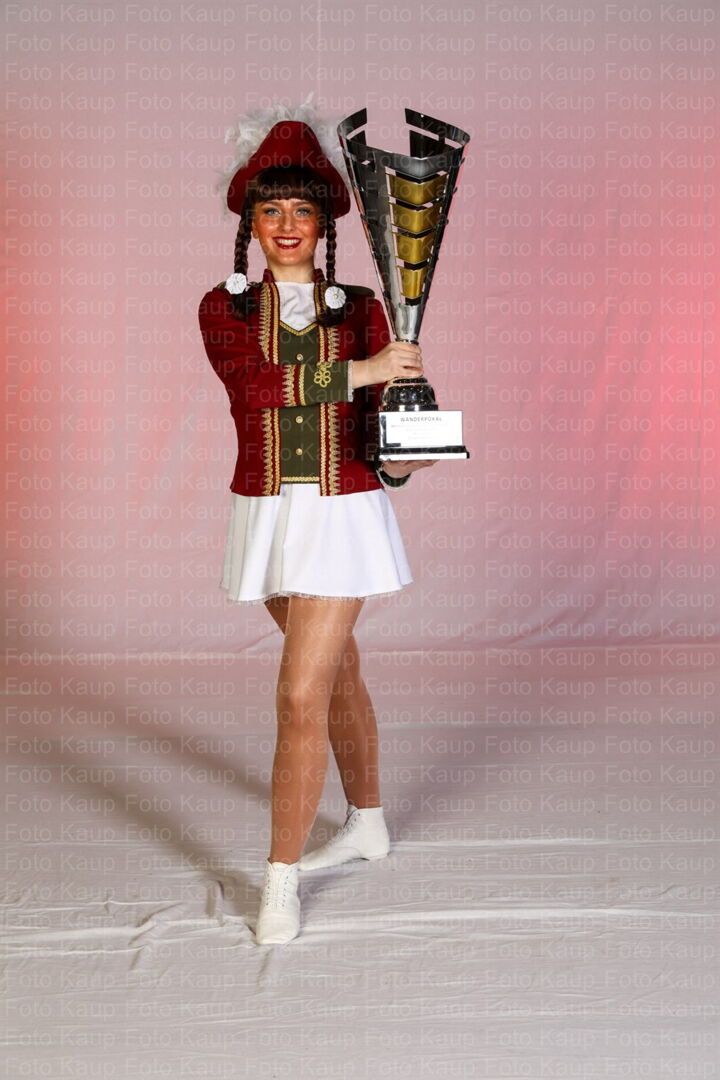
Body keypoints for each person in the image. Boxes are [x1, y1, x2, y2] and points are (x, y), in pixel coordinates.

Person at [198, 117, 435, 945]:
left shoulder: (366, 309)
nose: (288, 225)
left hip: (342, 514)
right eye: (272, 211)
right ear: (251, 224)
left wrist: (407, 450)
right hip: (267, 514)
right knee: (338, 676)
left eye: (302, 209)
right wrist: (365, 370)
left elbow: (378, 430)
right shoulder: (224, 308)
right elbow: (255, 388)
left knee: (300, 696)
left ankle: (280, 878)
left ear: (326, 222)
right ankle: (367, 822)